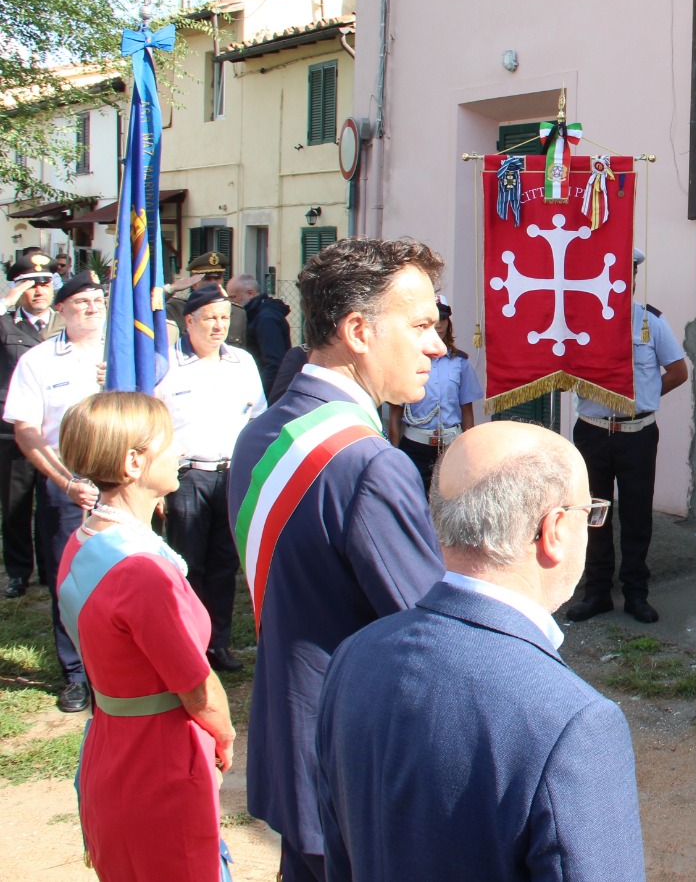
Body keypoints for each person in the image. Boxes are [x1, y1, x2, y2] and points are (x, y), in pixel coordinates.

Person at [316, 422, 646, 882]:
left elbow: (339, 855)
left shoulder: (354, 657)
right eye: (587, 512)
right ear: (552, 529)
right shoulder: (574, 721)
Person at [227, 237, 447, 882]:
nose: (437, 346)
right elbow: (434, 638)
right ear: (357, 331)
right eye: (421, 326)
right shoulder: (369, 463)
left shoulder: (263, 432)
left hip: (290, 742)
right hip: (356, 768)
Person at [55, 391, 236, 881]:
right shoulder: (142, 570)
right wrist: (224, 735)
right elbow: (197, 688)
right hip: (161, 766)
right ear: (133, 462)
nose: (181, 450)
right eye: (170, 440)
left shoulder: (83, 541)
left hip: (111, 750)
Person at [3, 270, 107, 711]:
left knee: (127, 576)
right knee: (71, 582)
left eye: (98, 300)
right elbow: (26, 430)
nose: (91, 308)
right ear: (61, 309)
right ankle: (76, 673)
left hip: (125, 485)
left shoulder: (127, 351)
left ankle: (120, 667)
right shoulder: (39, 360)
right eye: (81, 301)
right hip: (69, 486)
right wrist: (66, 482)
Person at [566, 248, 689, 624]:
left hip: (637, 434)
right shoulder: (578, 321)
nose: (622, 282)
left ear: (634, 279)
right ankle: (597, 592)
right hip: (593, 432)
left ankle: (636, 593)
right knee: (594, 512)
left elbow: (678, 371)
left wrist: (644, 398)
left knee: (637, 515)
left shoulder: (650, 322)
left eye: (629, 275)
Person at [155, 282, 267, 672]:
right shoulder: (165, 364)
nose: (219, 326)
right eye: (210, 319)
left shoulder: (242, 362)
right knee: (188, 564)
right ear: (189, 321)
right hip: (187, 476)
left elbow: (256, 418)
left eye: (224, 318)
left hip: (231, 475)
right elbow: (152, 424)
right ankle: (188, 642)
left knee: (223, 564)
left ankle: (217, 643)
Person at [1, 254, 60, 597]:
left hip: (55, 428)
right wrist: (6, 301)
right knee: (16, 504)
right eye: (29, 284)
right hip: (14, 430)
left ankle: (51, 567)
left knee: (54, 500)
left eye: (45, 283)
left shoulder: (65, 323)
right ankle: (18, 571)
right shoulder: (5, 323)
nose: (39, 291)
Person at [387, 302, 482, 494]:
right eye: (433, 320)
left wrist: (467, 450)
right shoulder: (408, 362)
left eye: (443, 319)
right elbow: (395, 413)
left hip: (450, 445)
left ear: (449, 324)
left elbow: (467, 411)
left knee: (449, 499)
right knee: (413, 499)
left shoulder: (460, 362)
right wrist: (394, 452)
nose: (439, 325)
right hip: (416, 446)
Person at [166, 251, 247, 353]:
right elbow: (148, 313)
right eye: (207, 279)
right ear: (194, 284)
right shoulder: (176, 309)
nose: (213, 283)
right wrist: (170, 289)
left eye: (217, 278)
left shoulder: (238, 313)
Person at [228, 273, 293, 395]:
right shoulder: (256, 315)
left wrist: (256, 395)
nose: (231, 302)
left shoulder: (266, 319)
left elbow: (274, 364)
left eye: (233, 297)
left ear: (250, 293)